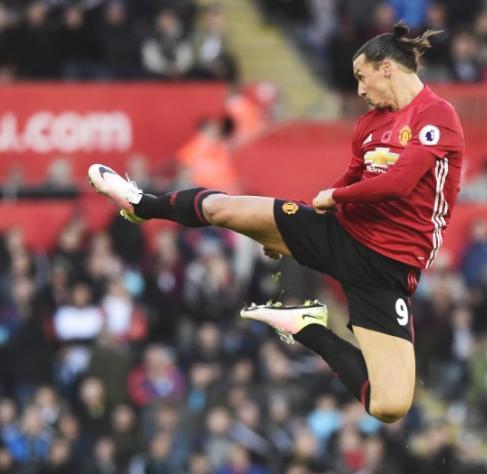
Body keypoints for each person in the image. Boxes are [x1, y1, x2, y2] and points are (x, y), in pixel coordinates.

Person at [88, 21, 464, 423]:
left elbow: (400, 183)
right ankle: (143, 202)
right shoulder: (370, 124)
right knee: (225, 210)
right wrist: (296, 224)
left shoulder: (436, 115)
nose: (359, 90)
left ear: (387, 67)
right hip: (341, 234)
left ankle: (309, 328)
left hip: (386, 268)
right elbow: (352, 178)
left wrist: (335, 196)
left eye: (361, 77)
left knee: (389, 406)